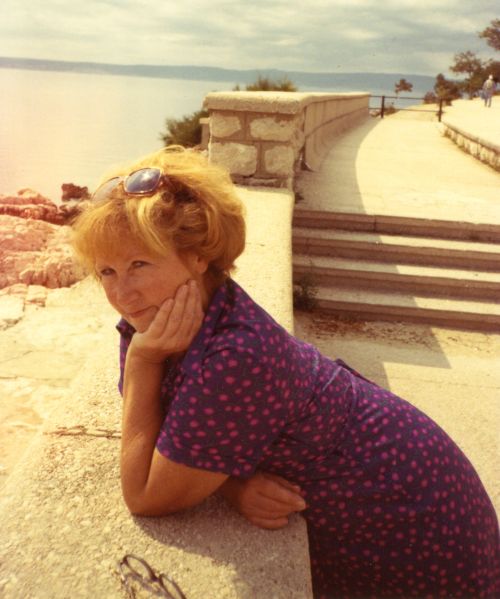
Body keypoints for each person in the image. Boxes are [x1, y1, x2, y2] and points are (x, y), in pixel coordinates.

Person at [72, 146, 500, 599]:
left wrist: (142, 362)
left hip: (422, 524)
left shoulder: (235, 354)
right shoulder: (160, 317)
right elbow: (161, 433)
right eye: (107, 272)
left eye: (139, 264)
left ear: (198, 256)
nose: (123, 293)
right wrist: (231, 485)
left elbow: (145, 496)